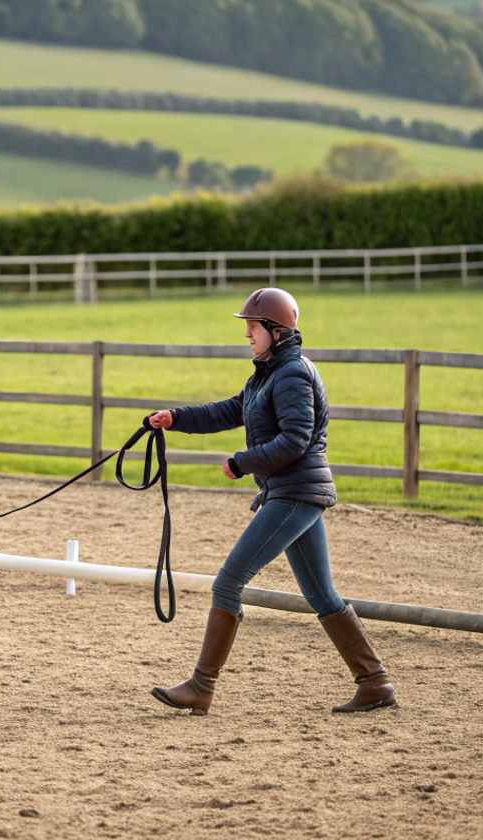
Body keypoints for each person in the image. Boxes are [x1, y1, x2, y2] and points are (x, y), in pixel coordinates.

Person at [145, 287, 396, 716]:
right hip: (292, 493)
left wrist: (242, 462)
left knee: (228, 582)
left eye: (252, 328)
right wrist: (176, 418)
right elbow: (228, 411)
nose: (247, 335)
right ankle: (375, 684)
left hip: (295, 493)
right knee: (322, 595)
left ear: (276, 332)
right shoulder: (267, 374)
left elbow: (296, 440)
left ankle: (201, 687)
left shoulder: (293, 375)